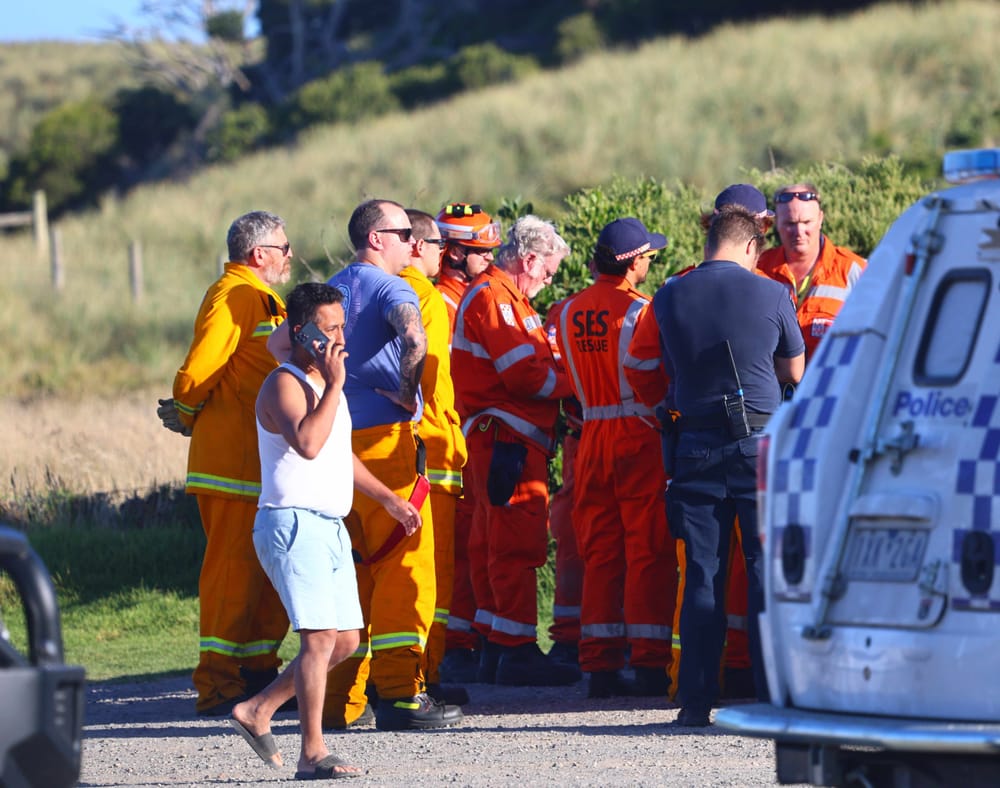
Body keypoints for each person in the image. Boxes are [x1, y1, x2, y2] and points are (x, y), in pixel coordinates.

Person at [652, 205, 804, 727]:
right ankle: (771, 698)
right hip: (757, 448)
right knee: (764, 573)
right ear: (750, 245)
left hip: (693, 447)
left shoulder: (669, 295)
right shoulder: (772, 293)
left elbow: (668, 365)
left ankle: (695, 701)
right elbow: (794, 369)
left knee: (702, 573)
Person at [323, 198, 463, 731]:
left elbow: (285, 346)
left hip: (336, 448)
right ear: (376, 238)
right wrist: (408, 392)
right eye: (405, 234)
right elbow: (415, 336)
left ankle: (339, 701)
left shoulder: (330, 290)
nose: (415, 243)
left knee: (351, 571)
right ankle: (403, 694)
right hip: (386, 446)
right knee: (405, 567)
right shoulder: (393, 288)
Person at [157, 210, 292, 717]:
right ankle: (216, 684)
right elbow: (197, 372)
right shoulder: (234, 294)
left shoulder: (260, 297)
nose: (290, 256)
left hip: (258, 464)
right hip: (231, 467)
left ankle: (256, 672)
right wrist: (185, 412)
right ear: (259, 254)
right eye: (284, 247)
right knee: (232, 577)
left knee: (264, 576)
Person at [229, 282, 364, 779]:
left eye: (342, 326)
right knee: (320, 637)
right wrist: (335, 385)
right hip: (292, 521)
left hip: (329, 524)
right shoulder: (284, 383)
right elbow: (308, 443)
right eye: (330, 330)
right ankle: (312, 753)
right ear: (303, 332)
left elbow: (336, 453)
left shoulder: (324, 383)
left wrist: (391, 500)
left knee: (345, 640)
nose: (340, 338)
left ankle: (258, 709)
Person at [451, 214, 581, 687]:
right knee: (515, 542)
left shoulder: (507, 298)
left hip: (503, 438)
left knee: (493, 541)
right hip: (507, 439)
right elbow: (526, 376)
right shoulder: (496, 299)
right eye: (547, 270)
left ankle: (496, 643)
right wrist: (578, 385)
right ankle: (516, 650)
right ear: (528, 260)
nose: (549, 280)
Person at [555, 218, 676, 698]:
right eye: (648, 256)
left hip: (591, 434)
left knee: (600, 551)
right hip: (637, 434)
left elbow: (566, 378)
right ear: (632, 262)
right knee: (647, 549)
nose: (650, 263)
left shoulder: (568, 310)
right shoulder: (641, 310)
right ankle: (649, 662)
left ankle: (600, 666)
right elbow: (652, 375)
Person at [400, 208, 470, 705]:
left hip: (387, 447)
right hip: (430, 448)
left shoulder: (367, 290)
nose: (443, 255)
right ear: (419, 247)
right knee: (430, 572)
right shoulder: (423, 296)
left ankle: (383, 676)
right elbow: (429, 376)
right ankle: (423, 674)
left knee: (385, 569)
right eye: (438, 246)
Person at [432, 203, 503, 684]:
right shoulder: (442, 301)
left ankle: (467, 635)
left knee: (473, 539)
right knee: (458, 544)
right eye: (482, 252)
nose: (490, 259)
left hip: (467, 434)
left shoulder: (468, 295)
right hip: (452, 435)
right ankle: (454, 645)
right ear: (455, 253)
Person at [756, 183, 867, 364]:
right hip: (774, 380)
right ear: (777, 224)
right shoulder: (759, 267)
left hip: (831, 379)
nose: (799, 232)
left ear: (820, 219)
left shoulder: (853, 269)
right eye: (790, 223)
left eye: (806, 222)